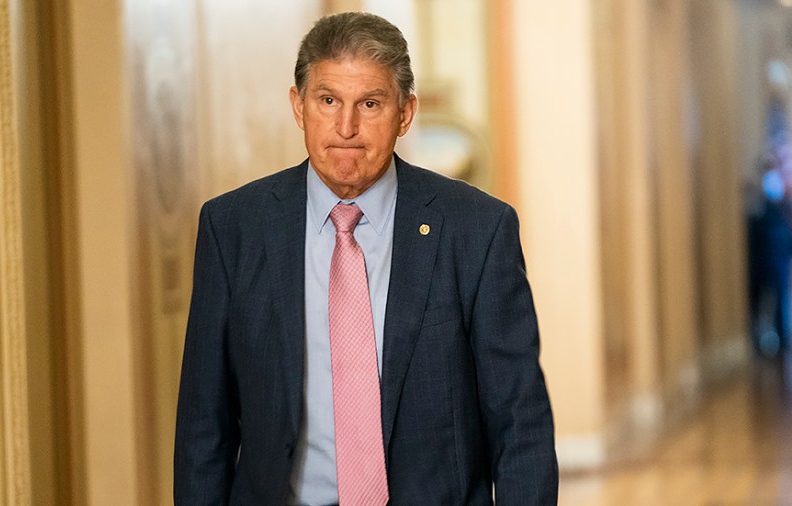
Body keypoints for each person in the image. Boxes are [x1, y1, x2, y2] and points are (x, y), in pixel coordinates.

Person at [173, 11, 558, 505]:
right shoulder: (233, 228)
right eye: (328, 100)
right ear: (298, 106)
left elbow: (520, 421)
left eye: (370, 103)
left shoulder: (476, 230)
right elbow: (205, 426)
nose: (346, 127)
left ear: (406, 113)